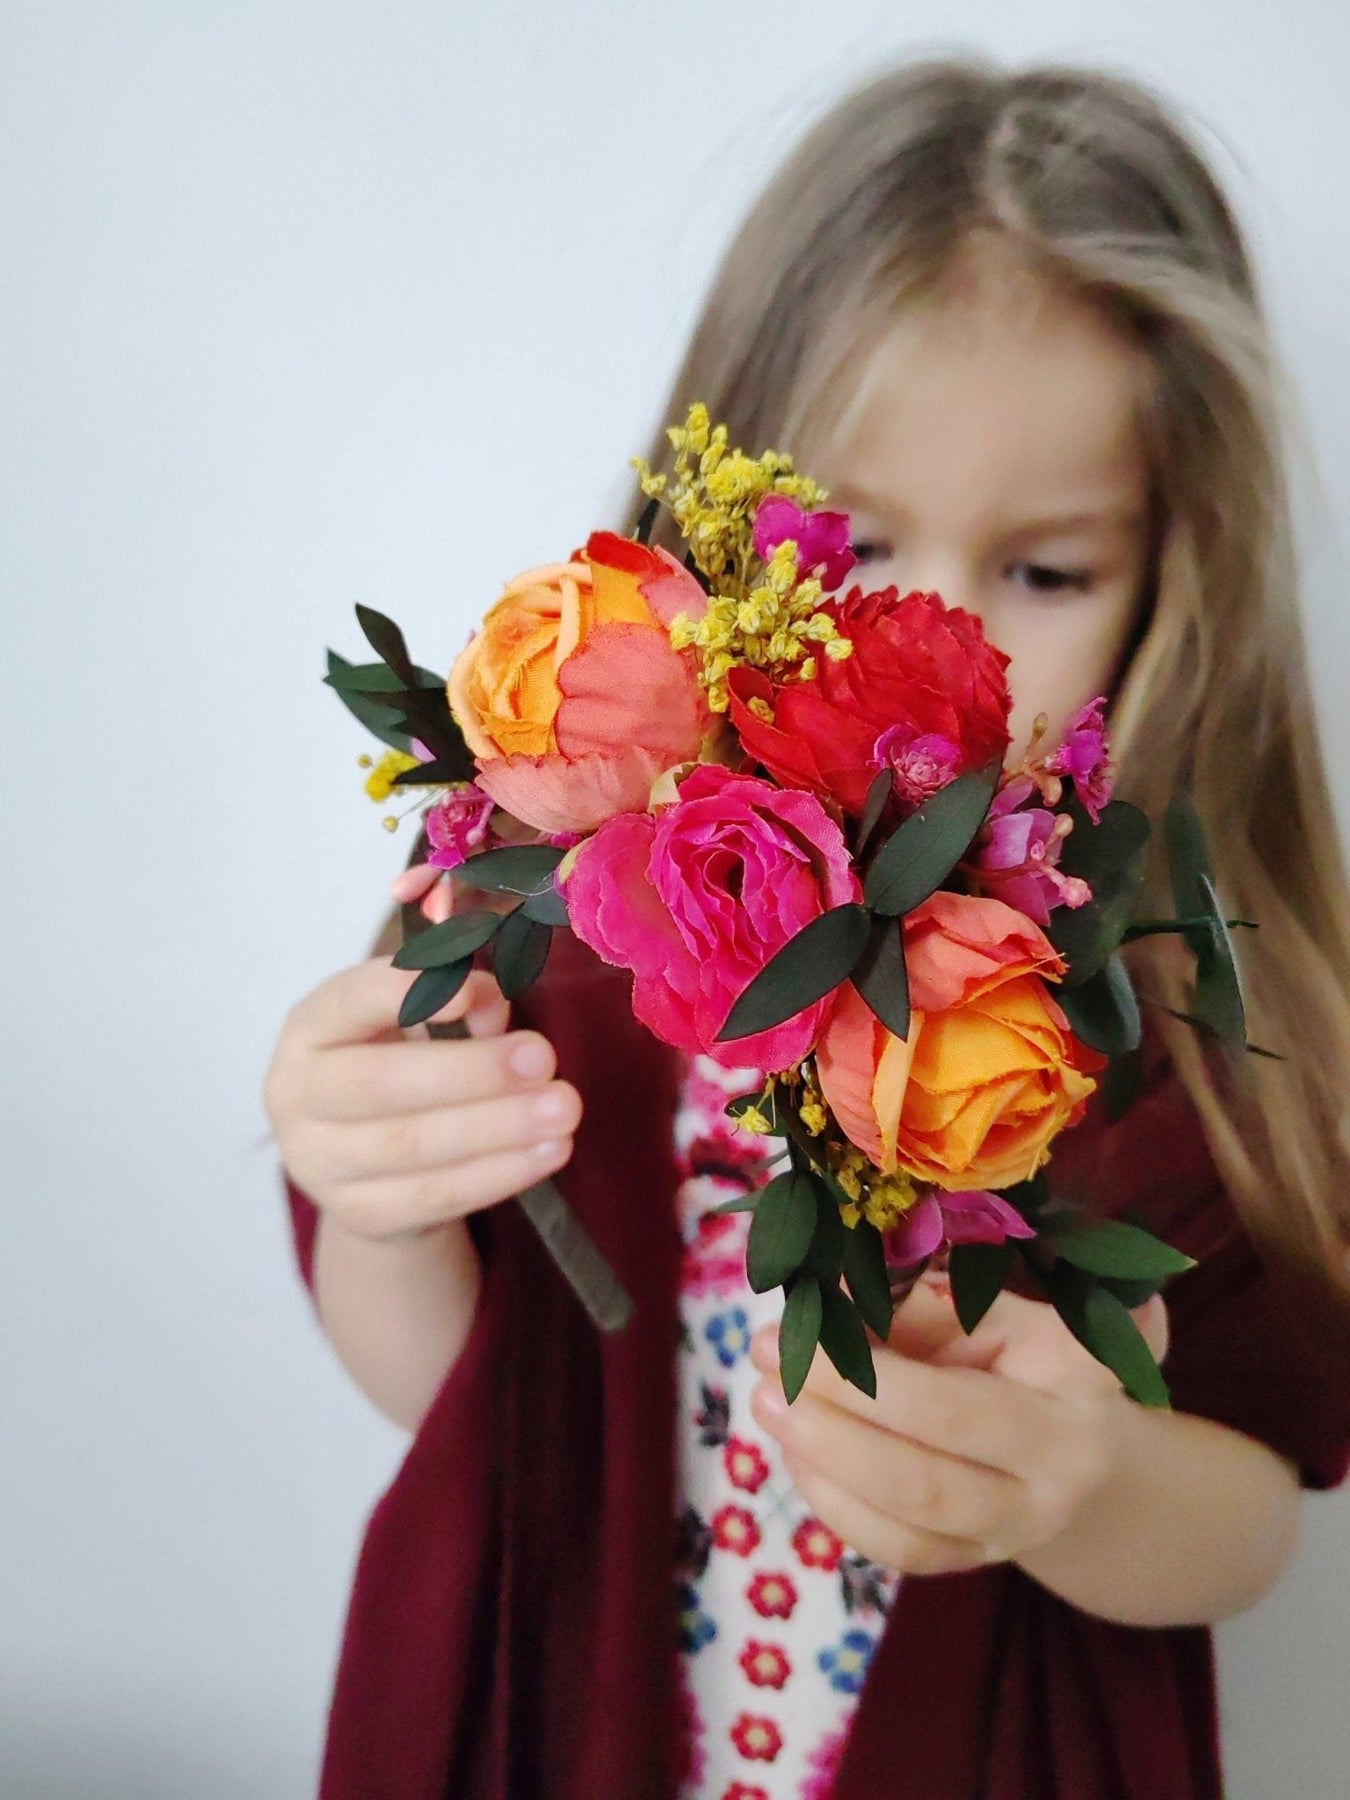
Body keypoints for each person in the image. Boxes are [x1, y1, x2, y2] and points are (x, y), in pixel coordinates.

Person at [262, 55, 1350, 1800]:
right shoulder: (563, 914)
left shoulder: (1182, 998)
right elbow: (458, 1393)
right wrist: (382, 1203)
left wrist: (1080, 1484)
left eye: (1044, 572)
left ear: (1172, 580)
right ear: (708, 538)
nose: (928, 642)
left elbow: (1254, 1513)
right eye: (849, 542)